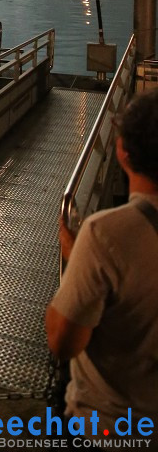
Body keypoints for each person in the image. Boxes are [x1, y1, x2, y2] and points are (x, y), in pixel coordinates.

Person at [45, 89, 158, 437]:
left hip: (110, 426)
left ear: (122, 151)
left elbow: (63, 342)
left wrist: (77, 259)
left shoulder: (104, 234)